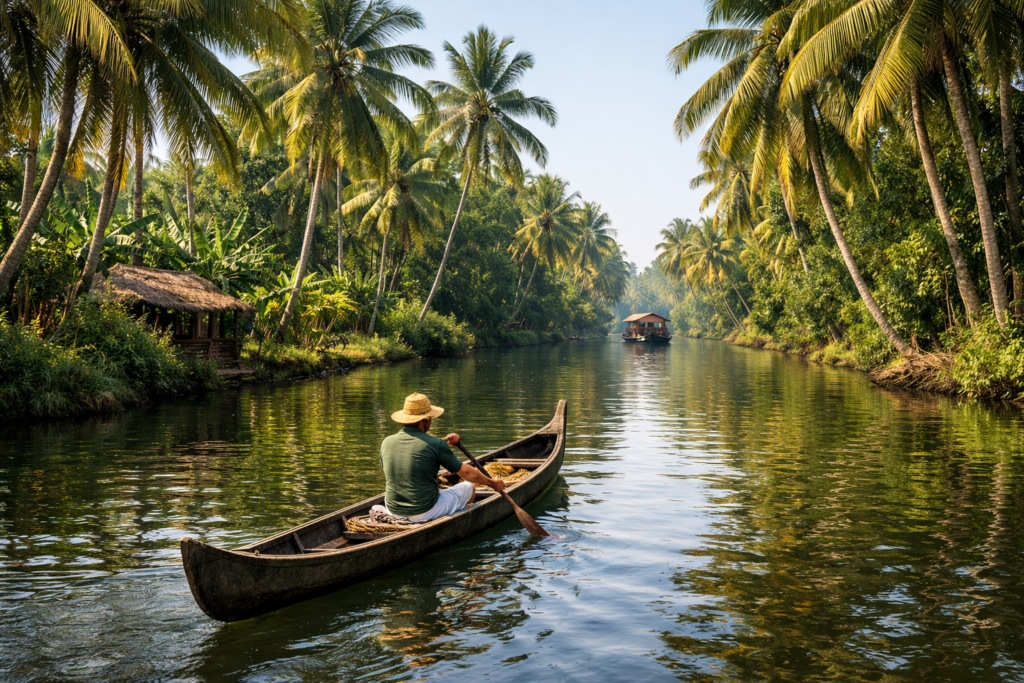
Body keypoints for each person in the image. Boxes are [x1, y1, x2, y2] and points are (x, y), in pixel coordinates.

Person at [379, 393, 506, 523]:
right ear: (427, 420)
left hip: (392, 508)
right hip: (424, 510)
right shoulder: (436, 444)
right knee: (469, 487)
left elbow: (412, 454)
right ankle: (462, 521)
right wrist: (492, 483)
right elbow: (466, 473)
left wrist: (446, 445)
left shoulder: (386, 442)